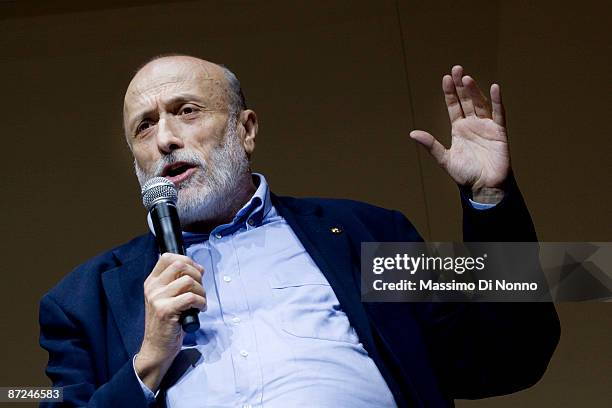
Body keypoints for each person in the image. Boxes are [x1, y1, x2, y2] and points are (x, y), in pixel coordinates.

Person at [39, 55, 560, 407]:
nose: (167, 139)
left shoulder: (364, 233)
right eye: (144, 126)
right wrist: (147, 362)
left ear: (246, 130)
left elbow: (509, 354)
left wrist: (489, 200)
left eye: (187, 112)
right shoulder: (84, 301)